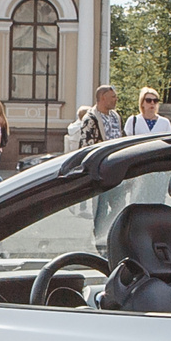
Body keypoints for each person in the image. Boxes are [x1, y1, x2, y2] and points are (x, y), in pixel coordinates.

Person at [65, 84, 123, 240]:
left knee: (119, 203)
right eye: (113, 97)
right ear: (102, 98)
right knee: (101, 207)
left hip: (117, 168)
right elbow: (88, 147)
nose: (115, 100)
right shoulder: (90, 118)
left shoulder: (115, 116)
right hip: (101, 170)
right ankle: (99, 237)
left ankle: (112, 234)